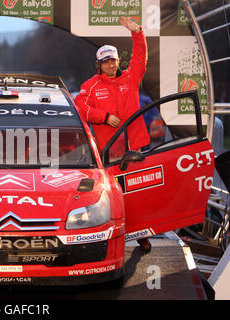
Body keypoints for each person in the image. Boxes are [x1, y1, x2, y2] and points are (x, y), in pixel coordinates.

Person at [74, 16, 152, 253]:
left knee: (138, 191)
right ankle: (109, 238)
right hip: (108, 151)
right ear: (99, 64)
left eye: (113, 61)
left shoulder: (131, 77)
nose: (110, 65)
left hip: (133, 147)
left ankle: (142, 234)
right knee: (114, 195)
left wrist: (137, 33)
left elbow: (140, 57)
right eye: (106, 62)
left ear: (119, 61)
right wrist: (105, 117)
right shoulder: (91, 85)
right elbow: (81, 107)